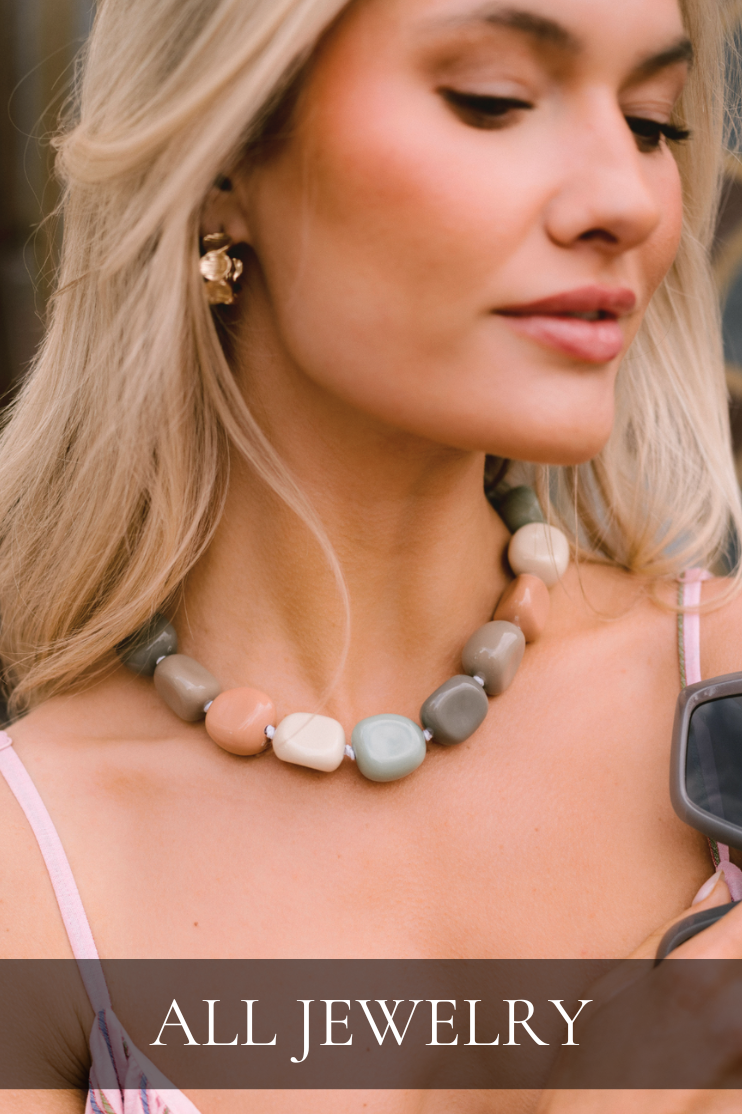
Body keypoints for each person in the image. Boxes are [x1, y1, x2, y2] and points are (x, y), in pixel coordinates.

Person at [1, 0, 742, 1108]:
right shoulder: (35, 861)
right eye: (491, 101)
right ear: (225, 159)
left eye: (652, 122)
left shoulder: (720, 685)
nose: (625, 200)